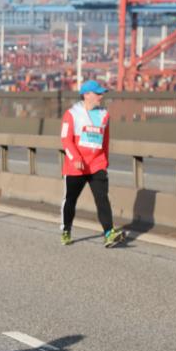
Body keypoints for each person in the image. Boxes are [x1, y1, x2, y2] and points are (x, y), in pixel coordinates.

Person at [60, 80, 126, 248]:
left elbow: (105, 139)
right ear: (86, 94)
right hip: (76, 166)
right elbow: (65, 140)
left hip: (97, 164)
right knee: (71, 200)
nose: (101, 96)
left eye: (102, 93)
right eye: (98, 93)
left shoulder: (104, 114)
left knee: (102, 198)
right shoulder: (72, 114)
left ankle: (109, 233)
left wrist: (105, 160)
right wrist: (75, 158)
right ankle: (66, 230)